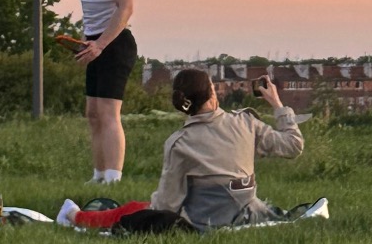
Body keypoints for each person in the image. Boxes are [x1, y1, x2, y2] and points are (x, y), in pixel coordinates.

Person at [59, 68, 304, 232]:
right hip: (251, 214)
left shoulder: (179, 143)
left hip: (203, 225)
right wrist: (277, 104)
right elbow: (293, 145)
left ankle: (74, 217)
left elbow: (166, 204)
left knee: (134, 210)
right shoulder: (246, 122)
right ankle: (77, 216)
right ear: (212, 95)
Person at [73, 0, 137, 184]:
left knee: (109, 113)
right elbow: (92, 10)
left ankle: (113, 178)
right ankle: (98, 176)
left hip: (115, 43)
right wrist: (85, 41)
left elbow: (126, 7)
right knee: (93, 113)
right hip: (93, 44)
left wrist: (100, 44)